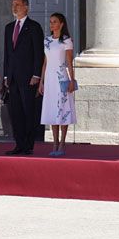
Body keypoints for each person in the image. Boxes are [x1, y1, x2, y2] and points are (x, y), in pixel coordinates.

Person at [4, 0, 44, 155]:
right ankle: (19, 144)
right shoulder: (8, 28)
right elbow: (7, 53)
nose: (14, 8)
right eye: (13, 4)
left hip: (28, 77)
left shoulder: (34, 27)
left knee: (29, 111)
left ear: (26, 7)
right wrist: (6, 76)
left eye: (18, 5)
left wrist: (36, 74)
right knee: (16, 112)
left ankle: (28, 144)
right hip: (13, 77)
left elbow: (38, 53)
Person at [39, 13, 77, 157]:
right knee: (52, 110)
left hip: (61, 78)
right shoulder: (47, 41)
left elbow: (69, 62)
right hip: (49, 79)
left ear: (61, 24)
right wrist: (41, 82)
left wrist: (72, 80)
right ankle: (54, 142)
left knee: (63, 108)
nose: (52, 24)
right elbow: (45, 62)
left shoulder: (66, 41)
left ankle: (62, 142)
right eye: (50, 22)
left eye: (55, 22)